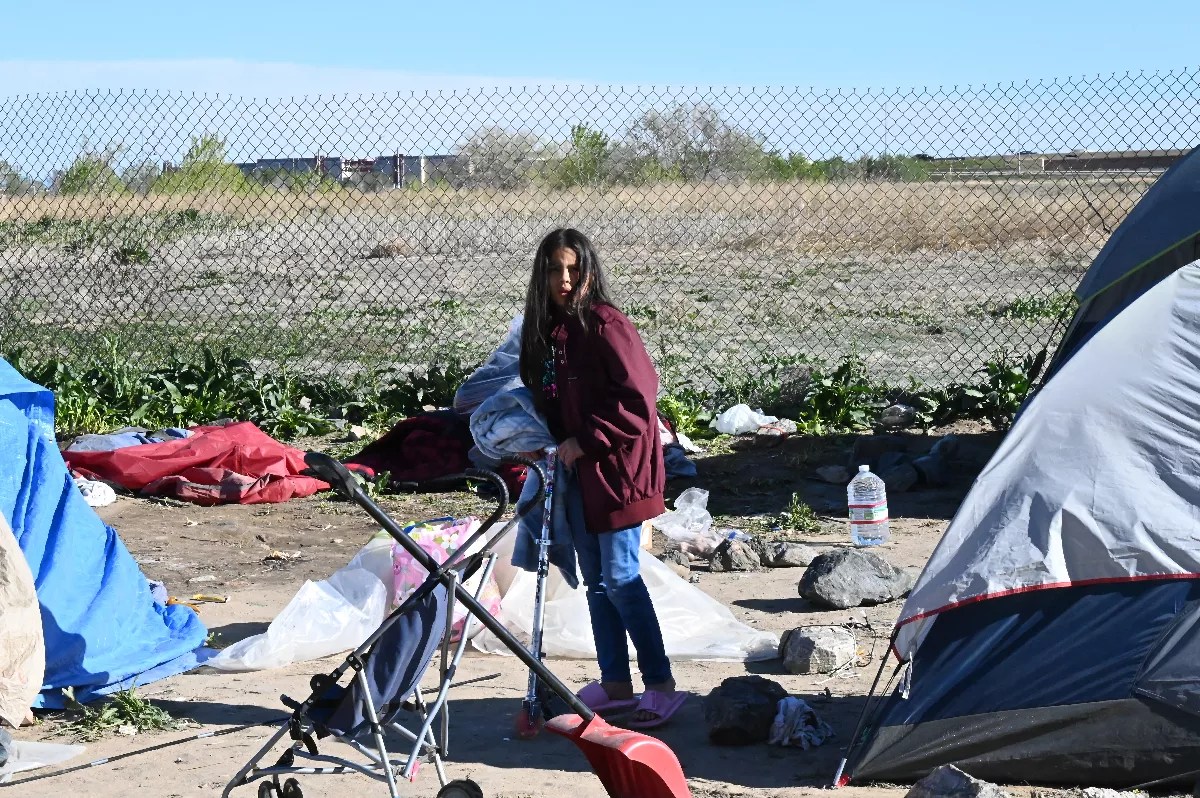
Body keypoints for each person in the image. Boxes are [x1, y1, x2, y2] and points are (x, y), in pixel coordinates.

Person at [518, 227, 687, 729]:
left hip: (618, 473)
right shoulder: (555, 334)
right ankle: (615, 684)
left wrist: (583, 440)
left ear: (590, 269)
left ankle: (659, 684)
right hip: (581, 476)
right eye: (554, 270)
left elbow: (638, 402)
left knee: (620, 578)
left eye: (573, 268)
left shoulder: (606, 325)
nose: (565, 280)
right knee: (596, 584)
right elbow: (556, 400)